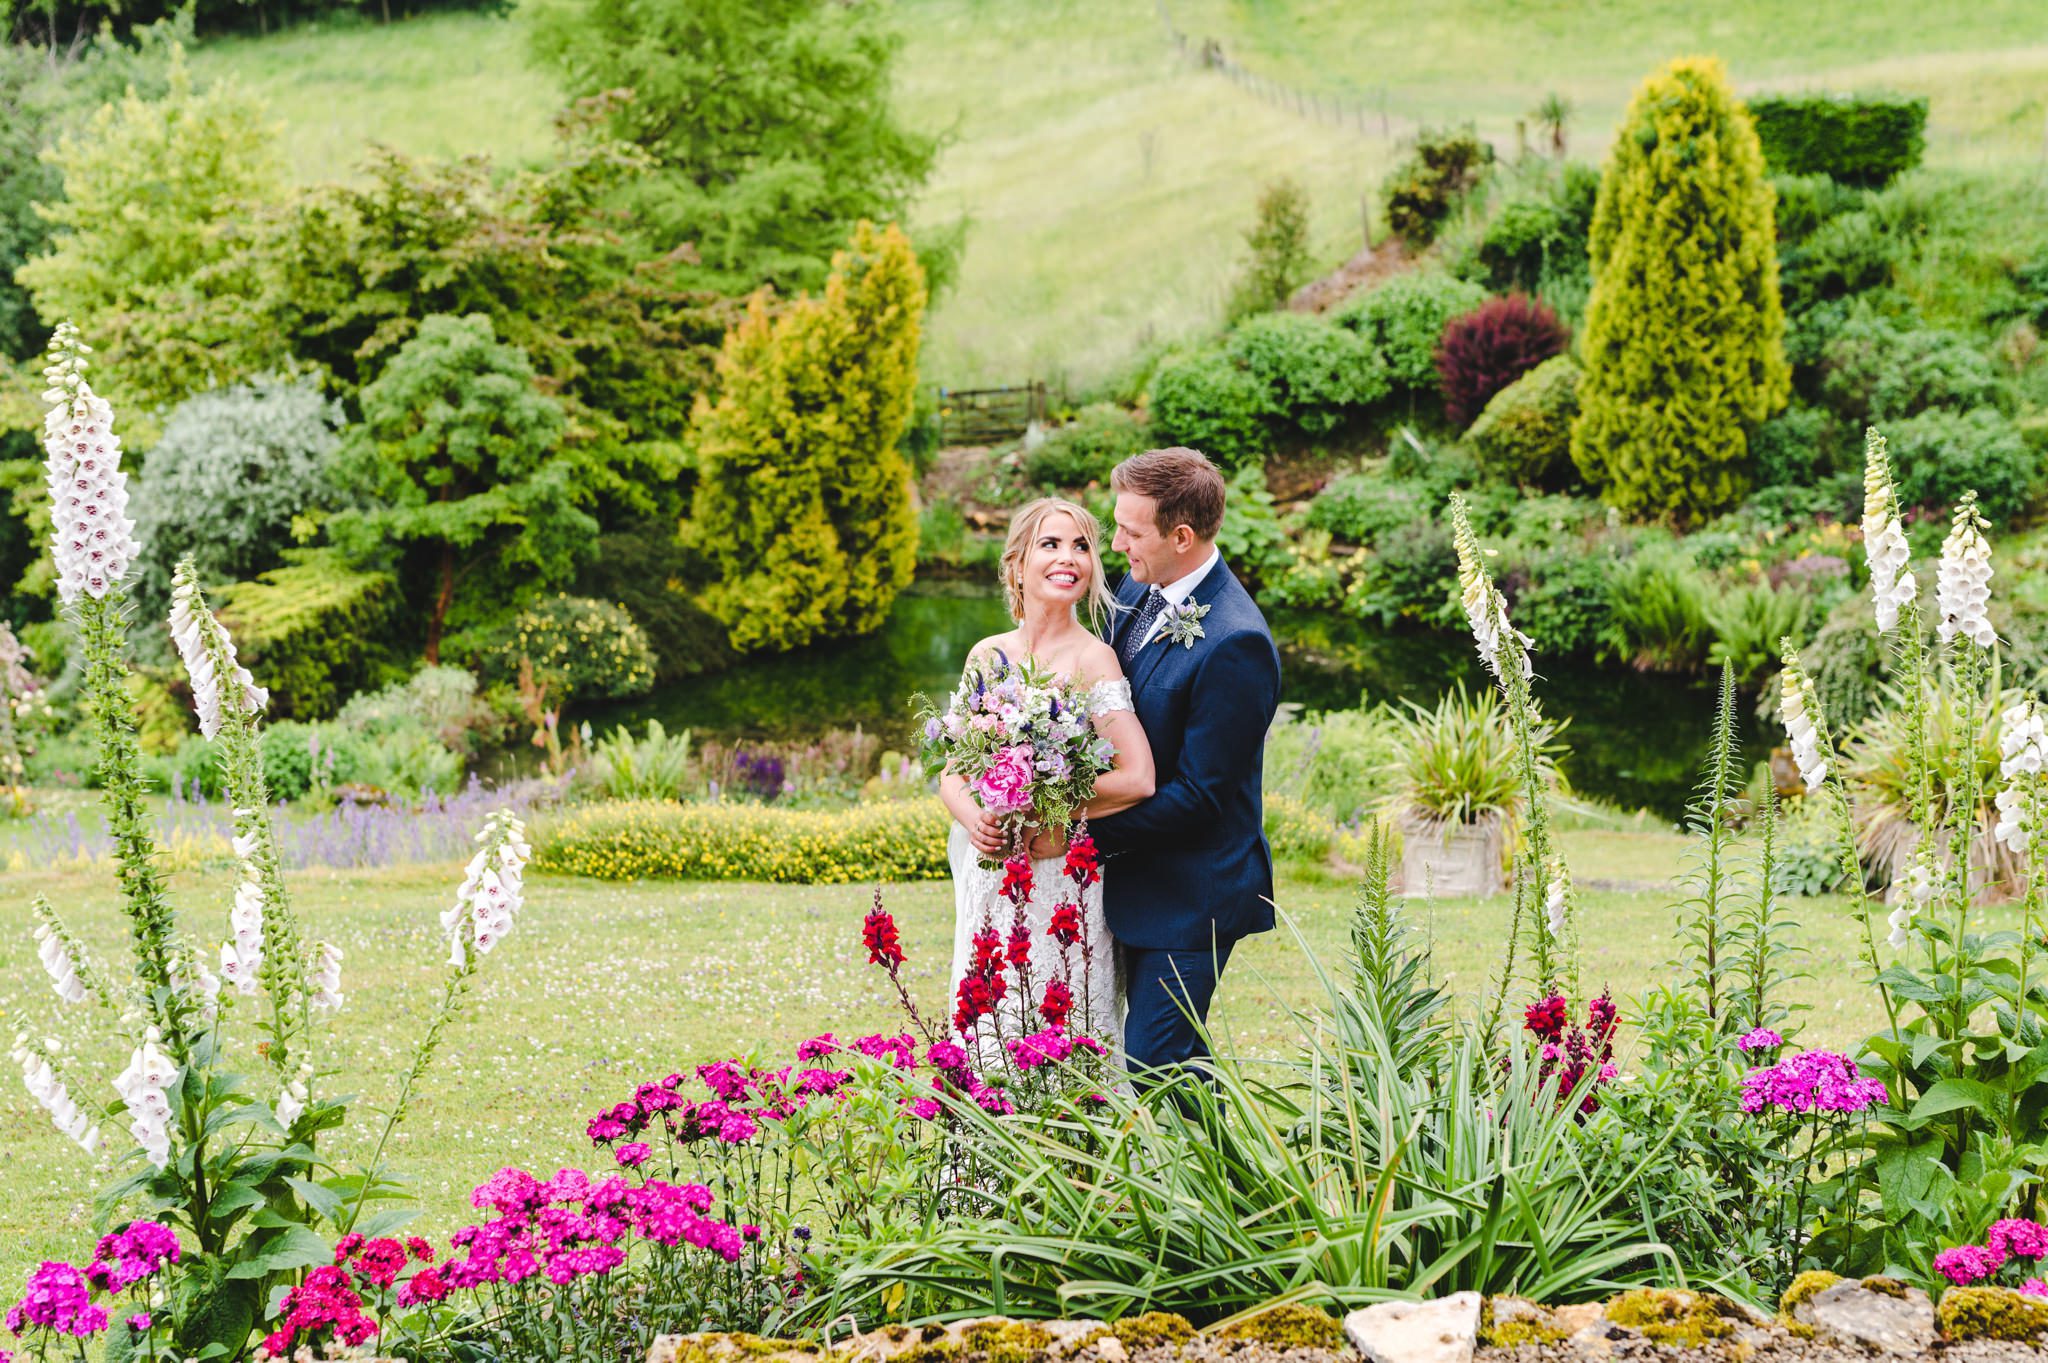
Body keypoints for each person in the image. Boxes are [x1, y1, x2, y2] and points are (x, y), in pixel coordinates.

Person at [938, 497, 1154, 1059]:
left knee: (1064, 1025)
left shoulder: (1095, 660)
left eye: (1082, 546)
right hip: (990, 878)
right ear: (1016, 564)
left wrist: (1043, 805)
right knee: (988, 1025)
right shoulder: (986, 656)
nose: (1070, 557)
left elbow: (1137, 778)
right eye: (1051, 544)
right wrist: (975, 818)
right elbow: (952, 776)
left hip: (1060, 878)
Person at [1090, 447, 1281, 1081]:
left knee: (1154, 1064)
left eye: (1130, 530)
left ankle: (1238, 1181)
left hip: (1194, 896)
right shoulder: (1140, 588)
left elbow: (1201, 796)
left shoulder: (1236, 642)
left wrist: (1082, 830)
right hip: (1134, 886)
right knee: (1177, 1070)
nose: (1115, 543)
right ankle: (1241, 1183)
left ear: (1182, 535)